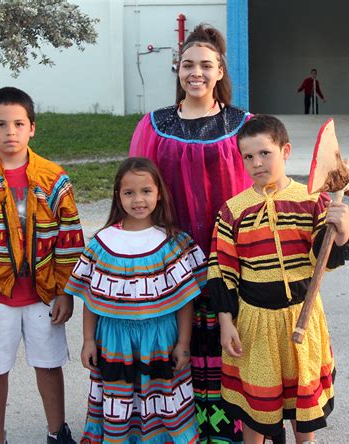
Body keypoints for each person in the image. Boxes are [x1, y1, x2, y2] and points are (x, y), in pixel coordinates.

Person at [130, 24, 256, 443]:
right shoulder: (154, 125)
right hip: (171, 258)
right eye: (187, 65)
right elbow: (136, 190)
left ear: (220, 71)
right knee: (175, 345)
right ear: (177, 70)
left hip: (231, 259)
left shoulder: (244, 125)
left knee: (230, 344)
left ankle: (233, 427)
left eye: (205, 65)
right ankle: (176, 427)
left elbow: (265, 187)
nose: (195, 73)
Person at [208, 114, 349, 443]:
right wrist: (225, 321)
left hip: (301, 321)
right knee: (257, 408)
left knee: (302, 411)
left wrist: (342, 230)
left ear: (286, 150)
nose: (257, 163)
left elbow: (326, 259)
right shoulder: (233, 210)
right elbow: (222, 269)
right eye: (248, 157)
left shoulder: (312, 201)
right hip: (255, 325)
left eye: (265, 153)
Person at [0, 87, 84, 444]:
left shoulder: (55, 179)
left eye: (19, 123)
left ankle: (57, 431)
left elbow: (70, 241)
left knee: (50, 366)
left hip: (44, 296)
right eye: (1, 124)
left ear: (32, 128)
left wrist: (66, 294)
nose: (11, 132)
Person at [64, 157, 207, 443]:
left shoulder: (173, 242)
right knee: (121, 401)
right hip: (115, 342)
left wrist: (183, 344)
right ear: (118, 196)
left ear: (159, 194)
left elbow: (184, 300)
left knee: (161, 398)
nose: (138, 200)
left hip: (161, 340)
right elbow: (92, 300)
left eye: (146, 191)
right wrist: (89, 341)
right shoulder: (102, 243)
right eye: (129, 192)